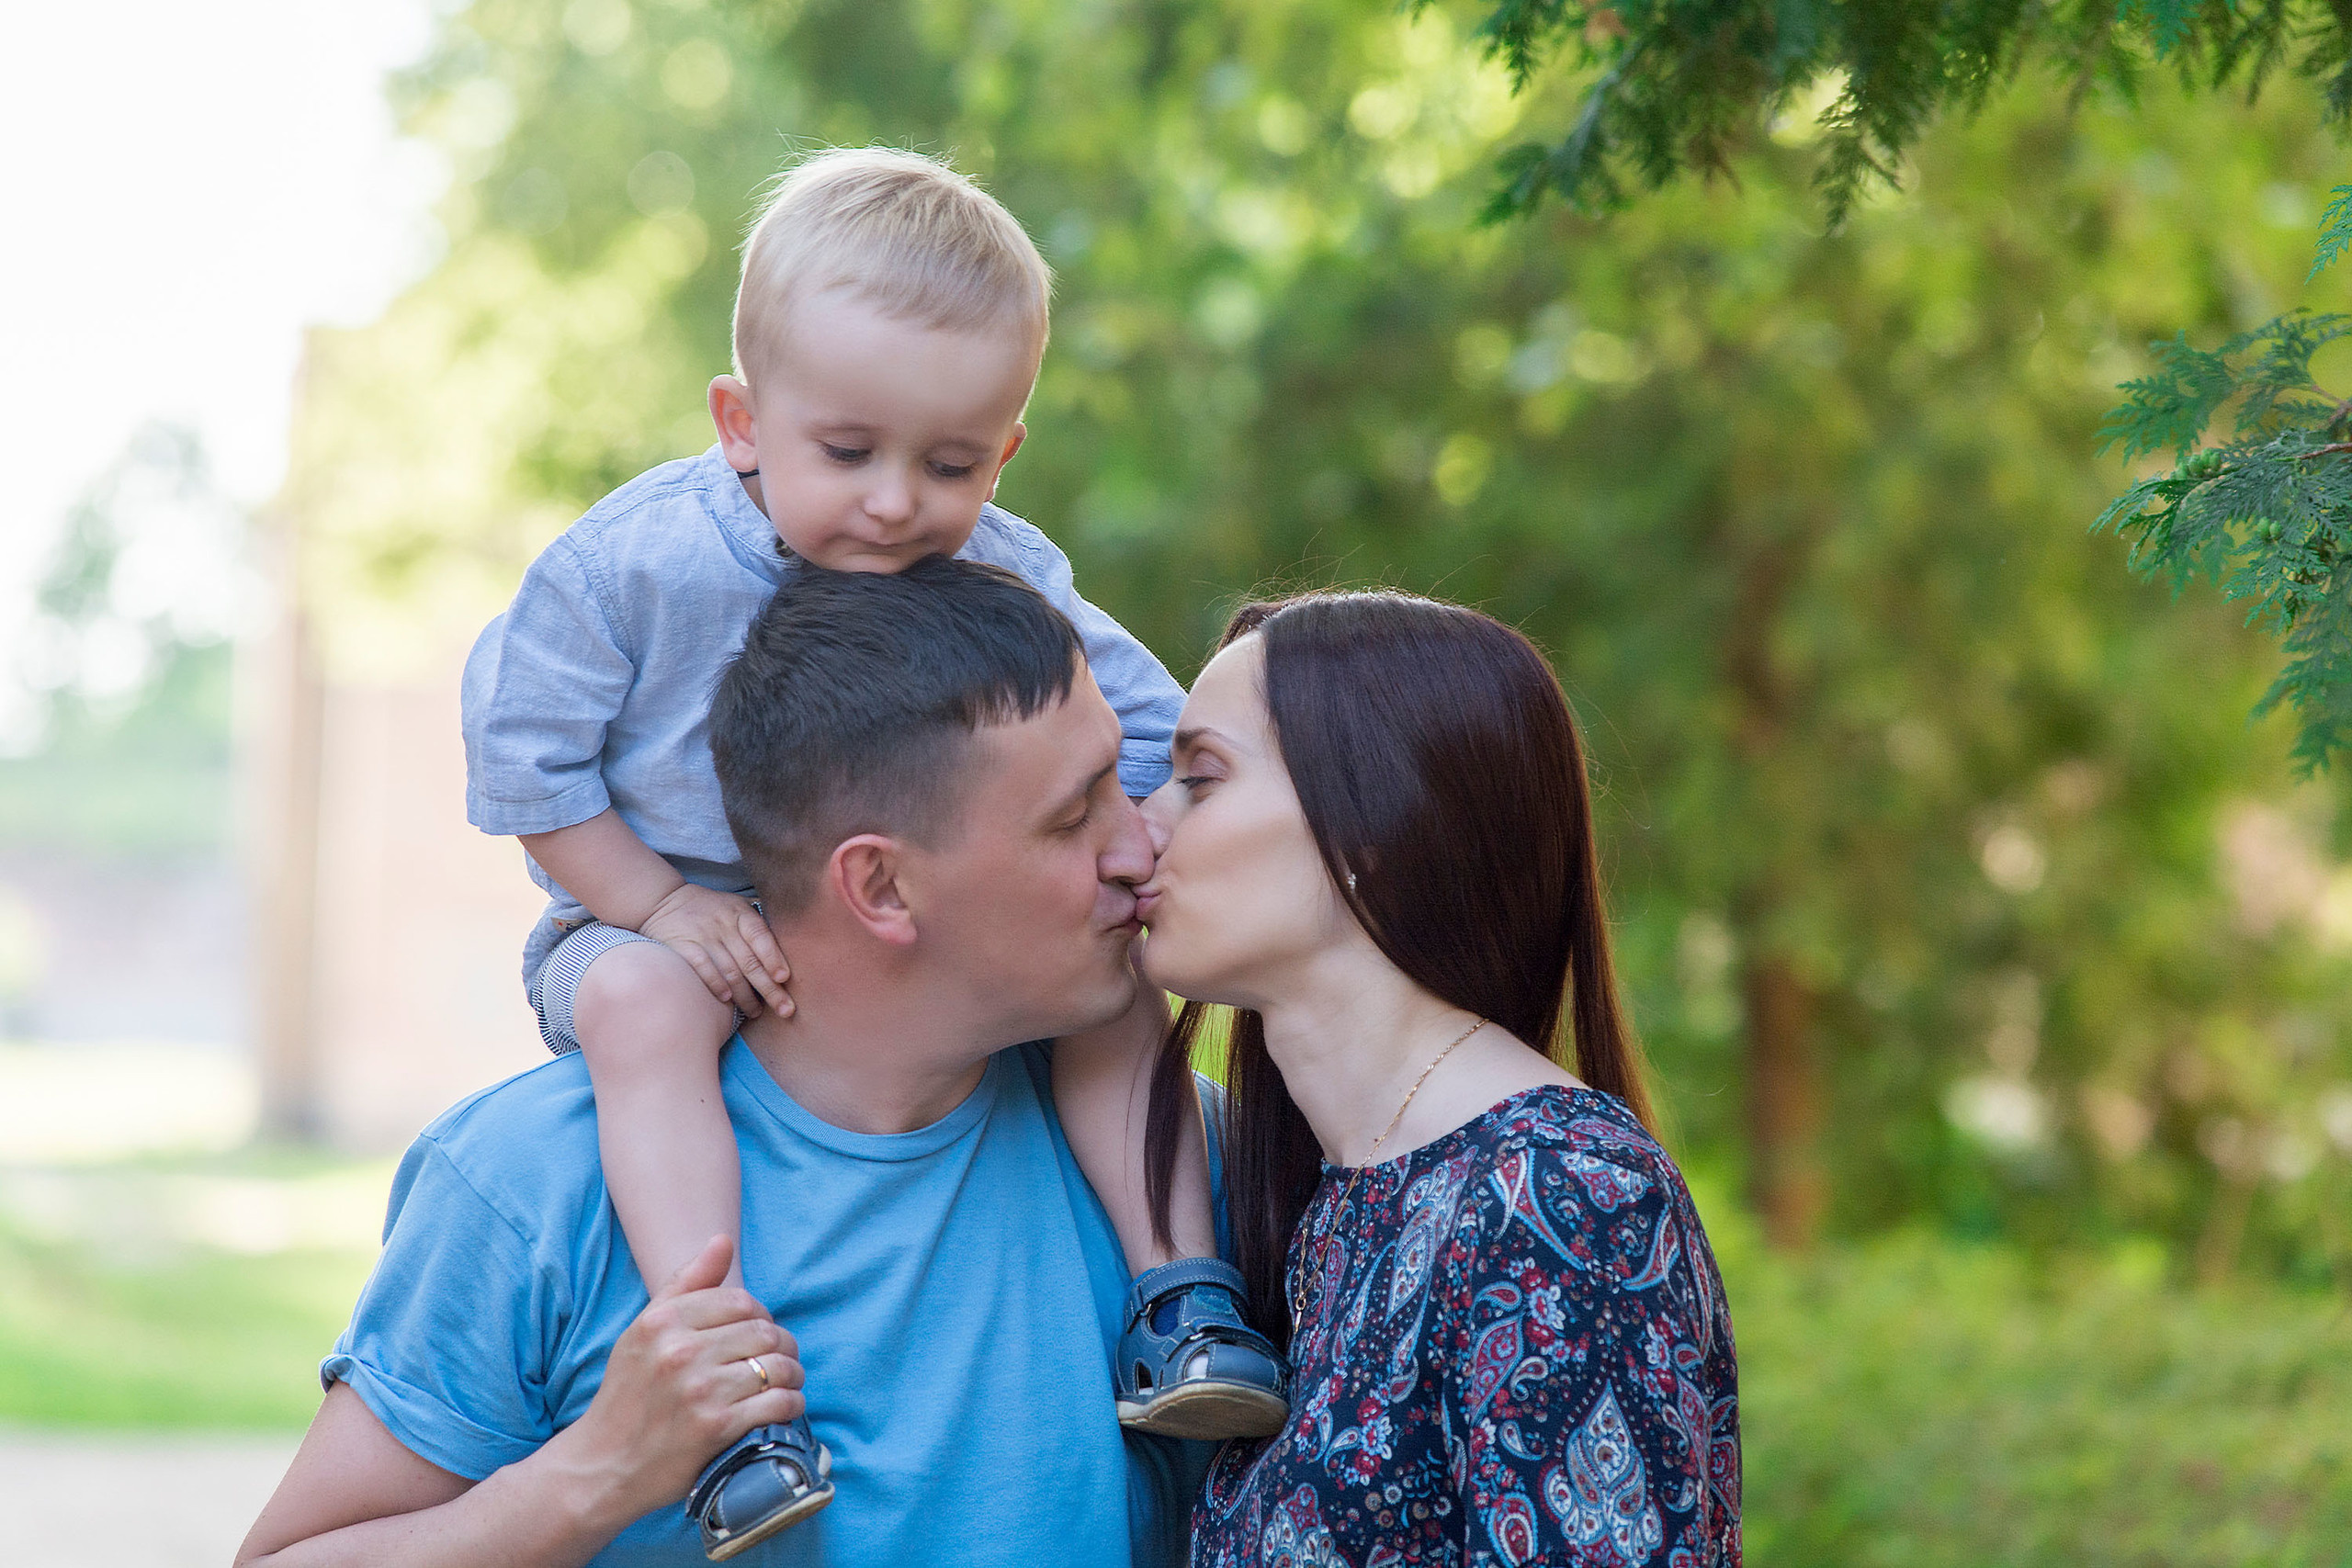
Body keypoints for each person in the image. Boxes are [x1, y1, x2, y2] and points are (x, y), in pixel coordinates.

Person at [459, 150, 1284, 1553]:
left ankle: (1176, 1294)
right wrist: (661, 906)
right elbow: (521, 761)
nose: (898, 504)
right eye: (848, 453)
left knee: (1103, 997)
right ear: (741, 420)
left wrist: (1212, 816)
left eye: (949, 463)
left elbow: (1157, 728)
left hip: (887, 968)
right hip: (646, 913)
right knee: (648, 1011)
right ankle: (713, 1367)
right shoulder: (635, 567)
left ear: (1005, 449)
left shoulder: (1007, 579)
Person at [239, 558, 1233, 1568]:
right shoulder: (532, 1180)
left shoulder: (1186, 1165)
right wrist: (596, 1474)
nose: (1138, 847)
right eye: (1075, 817)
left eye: (1128, 779)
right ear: (880, 886)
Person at [1132, 591, 1743, 1566]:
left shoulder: (1558, 1197)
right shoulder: (1338, 1201)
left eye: (1198, 780)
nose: (1138, 829)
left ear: (1367, 825)